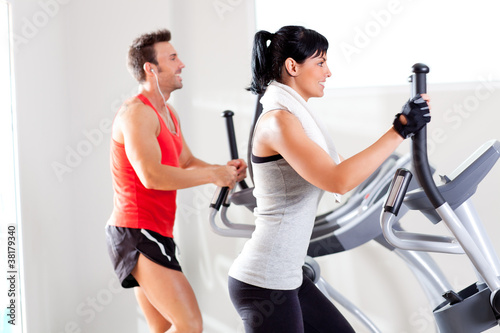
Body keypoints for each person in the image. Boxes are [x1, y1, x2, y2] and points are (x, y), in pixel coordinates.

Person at [227, 25, 431, 332]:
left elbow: (340, 171)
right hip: (264, 284)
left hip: (287, 277)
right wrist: (399, 129)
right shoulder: (278, 122)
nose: (328, 72)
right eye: (320, 63)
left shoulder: (291, 118)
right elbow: (337, 180)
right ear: (292, 66)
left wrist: (400, 135)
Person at [105, 29, 247, 333]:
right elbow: (151, 176)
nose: (182, 64)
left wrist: (224, 171)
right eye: (172, 58)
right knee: (190, 325)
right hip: (136, 231)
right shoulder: (136, 113)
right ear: (150, 68)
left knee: (163, 327)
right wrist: (212, 175)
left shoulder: (168, 113)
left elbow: (185, 162)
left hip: (155, 230)